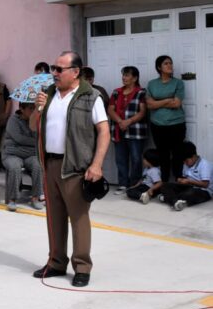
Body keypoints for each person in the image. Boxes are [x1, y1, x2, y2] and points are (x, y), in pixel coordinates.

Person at [30, 51, 110, 288]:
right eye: (53, 68)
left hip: (75, 167)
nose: (54, 73)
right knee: (54, 217)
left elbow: (104, 131)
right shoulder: (49, 95)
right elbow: (33, 126)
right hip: (50, 164)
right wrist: (37, 109)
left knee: (78, 218)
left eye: (59, 69)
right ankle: (56, 262)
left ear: (75, 72)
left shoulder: (91, 97)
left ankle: (82, 267)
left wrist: (97, 164)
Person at [145, 55, 186, 182]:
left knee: (177, 154)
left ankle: (178, 181)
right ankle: (164, 182)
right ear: (159, 67)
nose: (170, 65)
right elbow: (149, 105)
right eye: (166, 63)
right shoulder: (152, 84)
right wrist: (168, 99)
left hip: (176, 124)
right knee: (163, 154)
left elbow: (177, 103)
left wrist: (157, 102)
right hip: (157, 125)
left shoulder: (178, 83)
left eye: (170, 63)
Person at [107, 66, 148, 194]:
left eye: (127, 75)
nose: (124, 77)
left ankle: (134, 185)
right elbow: (110, 110)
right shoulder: (116, 92)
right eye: (123, 75)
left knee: (136, 159)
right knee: (120, 159)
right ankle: (123, 184)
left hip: (135, 131)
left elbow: (142, 112)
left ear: (135, 78)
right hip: (118, 130)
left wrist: (128, 122)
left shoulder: (141, 92)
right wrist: (120, 122)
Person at [2, 100, 45, 211]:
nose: (33, 111)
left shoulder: (36, 120)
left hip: (28, 154)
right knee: (15, 166)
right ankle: (12, 199)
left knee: (37, 165)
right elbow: (19, 138)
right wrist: (36, 142)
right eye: (30, 108)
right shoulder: (13, 120)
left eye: (34, 108)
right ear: (21, 109)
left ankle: (35, 198)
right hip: (12, 154)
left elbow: (40, 136)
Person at [156, 141, 212, 211]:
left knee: (189, 193)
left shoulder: (204, 165)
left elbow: (205, 184)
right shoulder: (186, 164)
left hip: (204, 191)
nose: (185, 163)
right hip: (189, 187)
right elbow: (185, 179)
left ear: (193, 157)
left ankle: (167, 198)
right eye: (183, 161)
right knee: (165, 185)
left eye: (186, 161)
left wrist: (189, 181)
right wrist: (181, 180)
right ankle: (175, 201)